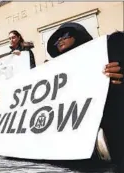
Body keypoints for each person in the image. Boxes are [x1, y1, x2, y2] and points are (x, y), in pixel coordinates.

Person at [47, 22, 124, 172]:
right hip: (79, 154)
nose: (60, 41)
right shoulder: (53, 73)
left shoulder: (113, 44)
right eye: (56, 41)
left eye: (64, 35)